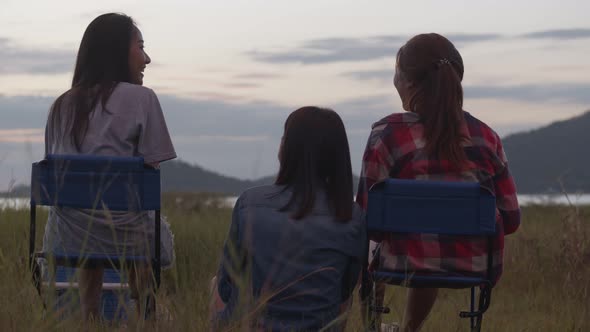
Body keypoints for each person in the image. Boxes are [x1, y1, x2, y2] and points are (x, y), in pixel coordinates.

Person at [356, 33, 521, 332]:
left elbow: (367, 219)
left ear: (407, 82)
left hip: (399, 264)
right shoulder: (487, 137)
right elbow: (510, 219)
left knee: (372, 239)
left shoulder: (388, 134)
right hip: (476, 266)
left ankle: (374, 327)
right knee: (426, 246)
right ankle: (409, 329)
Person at [42, 13, 176, 320]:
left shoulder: (61, 104)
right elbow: (151, 170)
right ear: (118, 50)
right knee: (143, 221)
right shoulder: (143, 99)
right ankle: (145, 315)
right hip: (129, 236)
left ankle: (89, 316)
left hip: (67, 236)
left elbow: (59, 170)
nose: (147, 58)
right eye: (140, 47)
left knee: (88, 216)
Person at [211, 106, 366, 331]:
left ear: (287, 149)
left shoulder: (249, 203)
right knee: (343, 300)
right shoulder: (352, 216)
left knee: (215, 284)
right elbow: (344, 291)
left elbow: (226, 287)